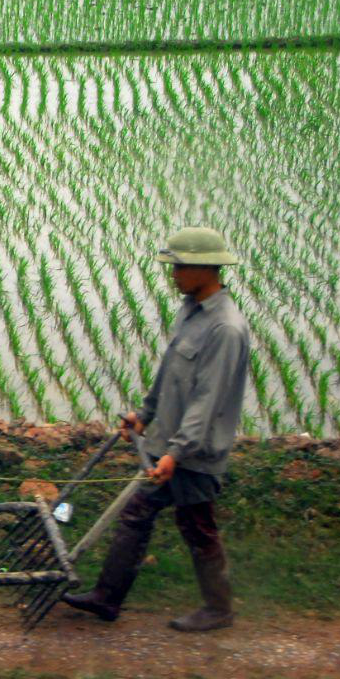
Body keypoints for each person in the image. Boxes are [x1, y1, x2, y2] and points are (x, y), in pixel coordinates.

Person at [61, 227, 251, 632]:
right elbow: (171, 374)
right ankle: (108, 598)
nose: (174, 274)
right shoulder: (191, 310)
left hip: (195, 454)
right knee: (142, 514)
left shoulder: (226, 329)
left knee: (196, 525)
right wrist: (145, 415)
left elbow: (208, 400)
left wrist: (176, 453)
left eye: (181, 266)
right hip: (171, 443)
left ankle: (217, 609)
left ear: (206, 268)